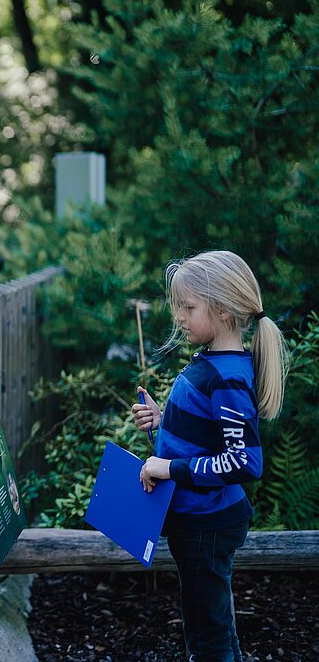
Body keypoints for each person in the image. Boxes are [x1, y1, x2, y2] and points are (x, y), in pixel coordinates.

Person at [130, 250, 286, 662]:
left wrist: (168, 467)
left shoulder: (228, 377)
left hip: (207, 525)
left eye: (188, 306)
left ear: (221, 310)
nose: (179, 316)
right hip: (199, 522)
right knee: (210, 626)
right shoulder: (214, 364)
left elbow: (243, 462)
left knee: (208, 638)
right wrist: (162, 422)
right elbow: (210, 438)